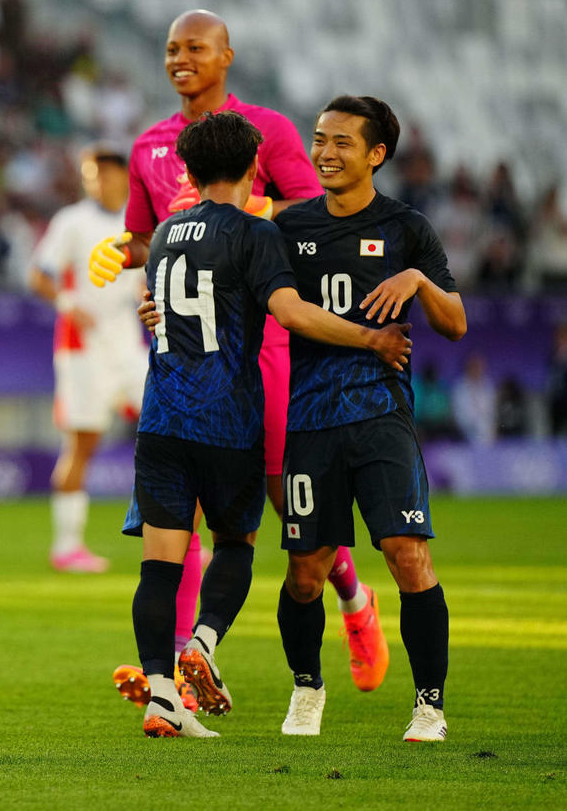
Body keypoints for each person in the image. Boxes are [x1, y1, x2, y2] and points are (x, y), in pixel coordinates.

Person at [90, 111, 410, 738]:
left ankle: (162, 696)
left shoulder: (162, 237)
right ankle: (203, 645)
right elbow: (289, 312)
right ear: (252, 168)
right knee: (235, 546)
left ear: (185, 170)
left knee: (160, 564)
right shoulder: (257, 234)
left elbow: (164, 309)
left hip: (161, 421)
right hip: (229, 421)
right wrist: (370, 337)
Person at [272, 95, 466, 742]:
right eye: (319, 140)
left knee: (406, 553)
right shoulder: (290, 227)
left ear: (376, 154)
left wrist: (416, 278)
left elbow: (455, 322)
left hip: (383, 414)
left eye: (341, 143)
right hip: (310, 421)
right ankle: (307, 689)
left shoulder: (408, 227)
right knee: (306, 570)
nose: (324, 152)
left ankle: (429, 705)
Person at [27, 144, 147, 573]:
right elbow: (39, 274)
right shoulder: (72, 221)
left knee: (173, 431)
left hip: (128, 343)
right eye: (89, 174)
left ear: (121, 176)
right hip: (83, 348)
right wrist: (66, 302)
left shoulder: (139, 223)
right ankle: (67, 546)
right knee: (83, 443)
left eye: (104, 173)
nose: (96, 181)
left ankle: (181, 542)